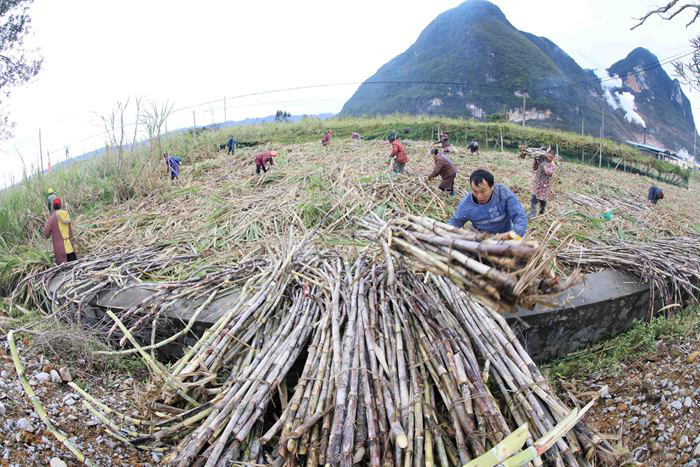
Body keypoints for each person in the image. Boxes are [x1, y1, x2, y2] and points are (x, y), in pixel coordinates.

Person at [448, 169, 528, 238]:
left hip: (505, 236)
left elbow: (519, 216)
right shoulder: (466, 204)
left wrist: (513, 236)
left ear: (492, 186)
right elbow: (455, 223)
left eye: (483, 191)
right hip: (481, 240)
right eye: (475, 191)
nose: (479, 196)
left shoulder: (502, 194)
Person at [44, 197, 77, 265]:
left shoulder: (52, 218)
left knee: (65, 271)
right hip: (70, 248)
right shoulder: (66, 214)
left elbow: (46, 234)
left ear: (53, 206)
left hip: (61, 251)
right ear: (60, 205)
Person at [530, 149, 557, 217]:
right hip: (537, 183)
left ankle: (541, 211)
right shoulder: (542, 160)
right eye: (548, 156)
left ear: (553, 157)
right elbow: (534, 168)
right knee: (534, 198)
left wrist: (542, 164)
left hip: (545, 185)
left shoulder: (553, 164)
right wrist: (536, 161)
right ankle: (532, 213)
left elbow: (548, 173)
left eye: (551, 157)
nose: (549, 158)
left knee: (542, 199)